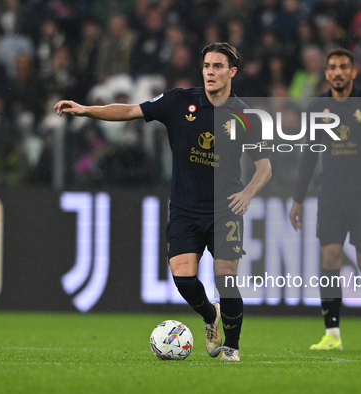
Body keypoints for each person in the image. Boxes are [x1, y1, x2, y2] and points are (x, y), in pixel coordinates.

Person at [54, 42, 272, 362]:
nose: (211, 72)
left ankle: (232, 347)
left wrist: (248, 192)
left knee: (226, 278)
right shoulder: (178, 100)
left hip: (225, 208)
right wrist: (87, 110)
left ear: (232, 72)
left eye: (218, 67)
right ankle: (211, 318)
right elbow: (129, 111)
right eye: (207, 66)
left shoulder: (245, 116)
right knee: (183, 278)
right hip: (184, 208)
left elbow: (264, 167)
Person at [288, 48, 361, 350]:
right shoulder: (317, 107)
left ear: (353, 72)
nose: (338, 72)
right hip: (331, 197)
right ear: (326, 74)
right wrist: (298, 199)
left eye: (343, 67)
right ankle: (332, 334)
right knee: (330, 257)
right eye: (332, 68)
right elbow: (308, 155)